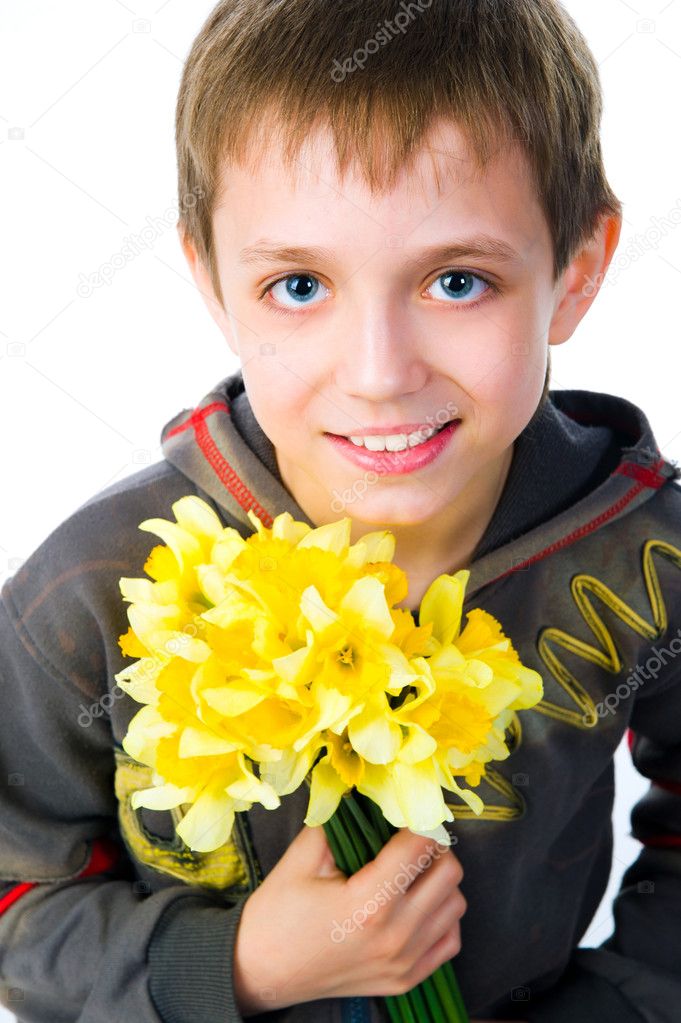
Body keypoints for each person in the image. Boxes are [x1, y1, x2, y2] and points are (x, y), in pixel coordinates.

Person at [1, 1, 681, 1021]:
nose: (378, 374)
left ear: (576, 272)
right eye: (300, 285)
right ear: (211, 282)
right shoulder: (91, 595)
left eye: (458, 281)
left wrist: (622, 1003)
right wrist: (232, 967)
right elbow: (16, 896)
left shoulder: (647, 552)